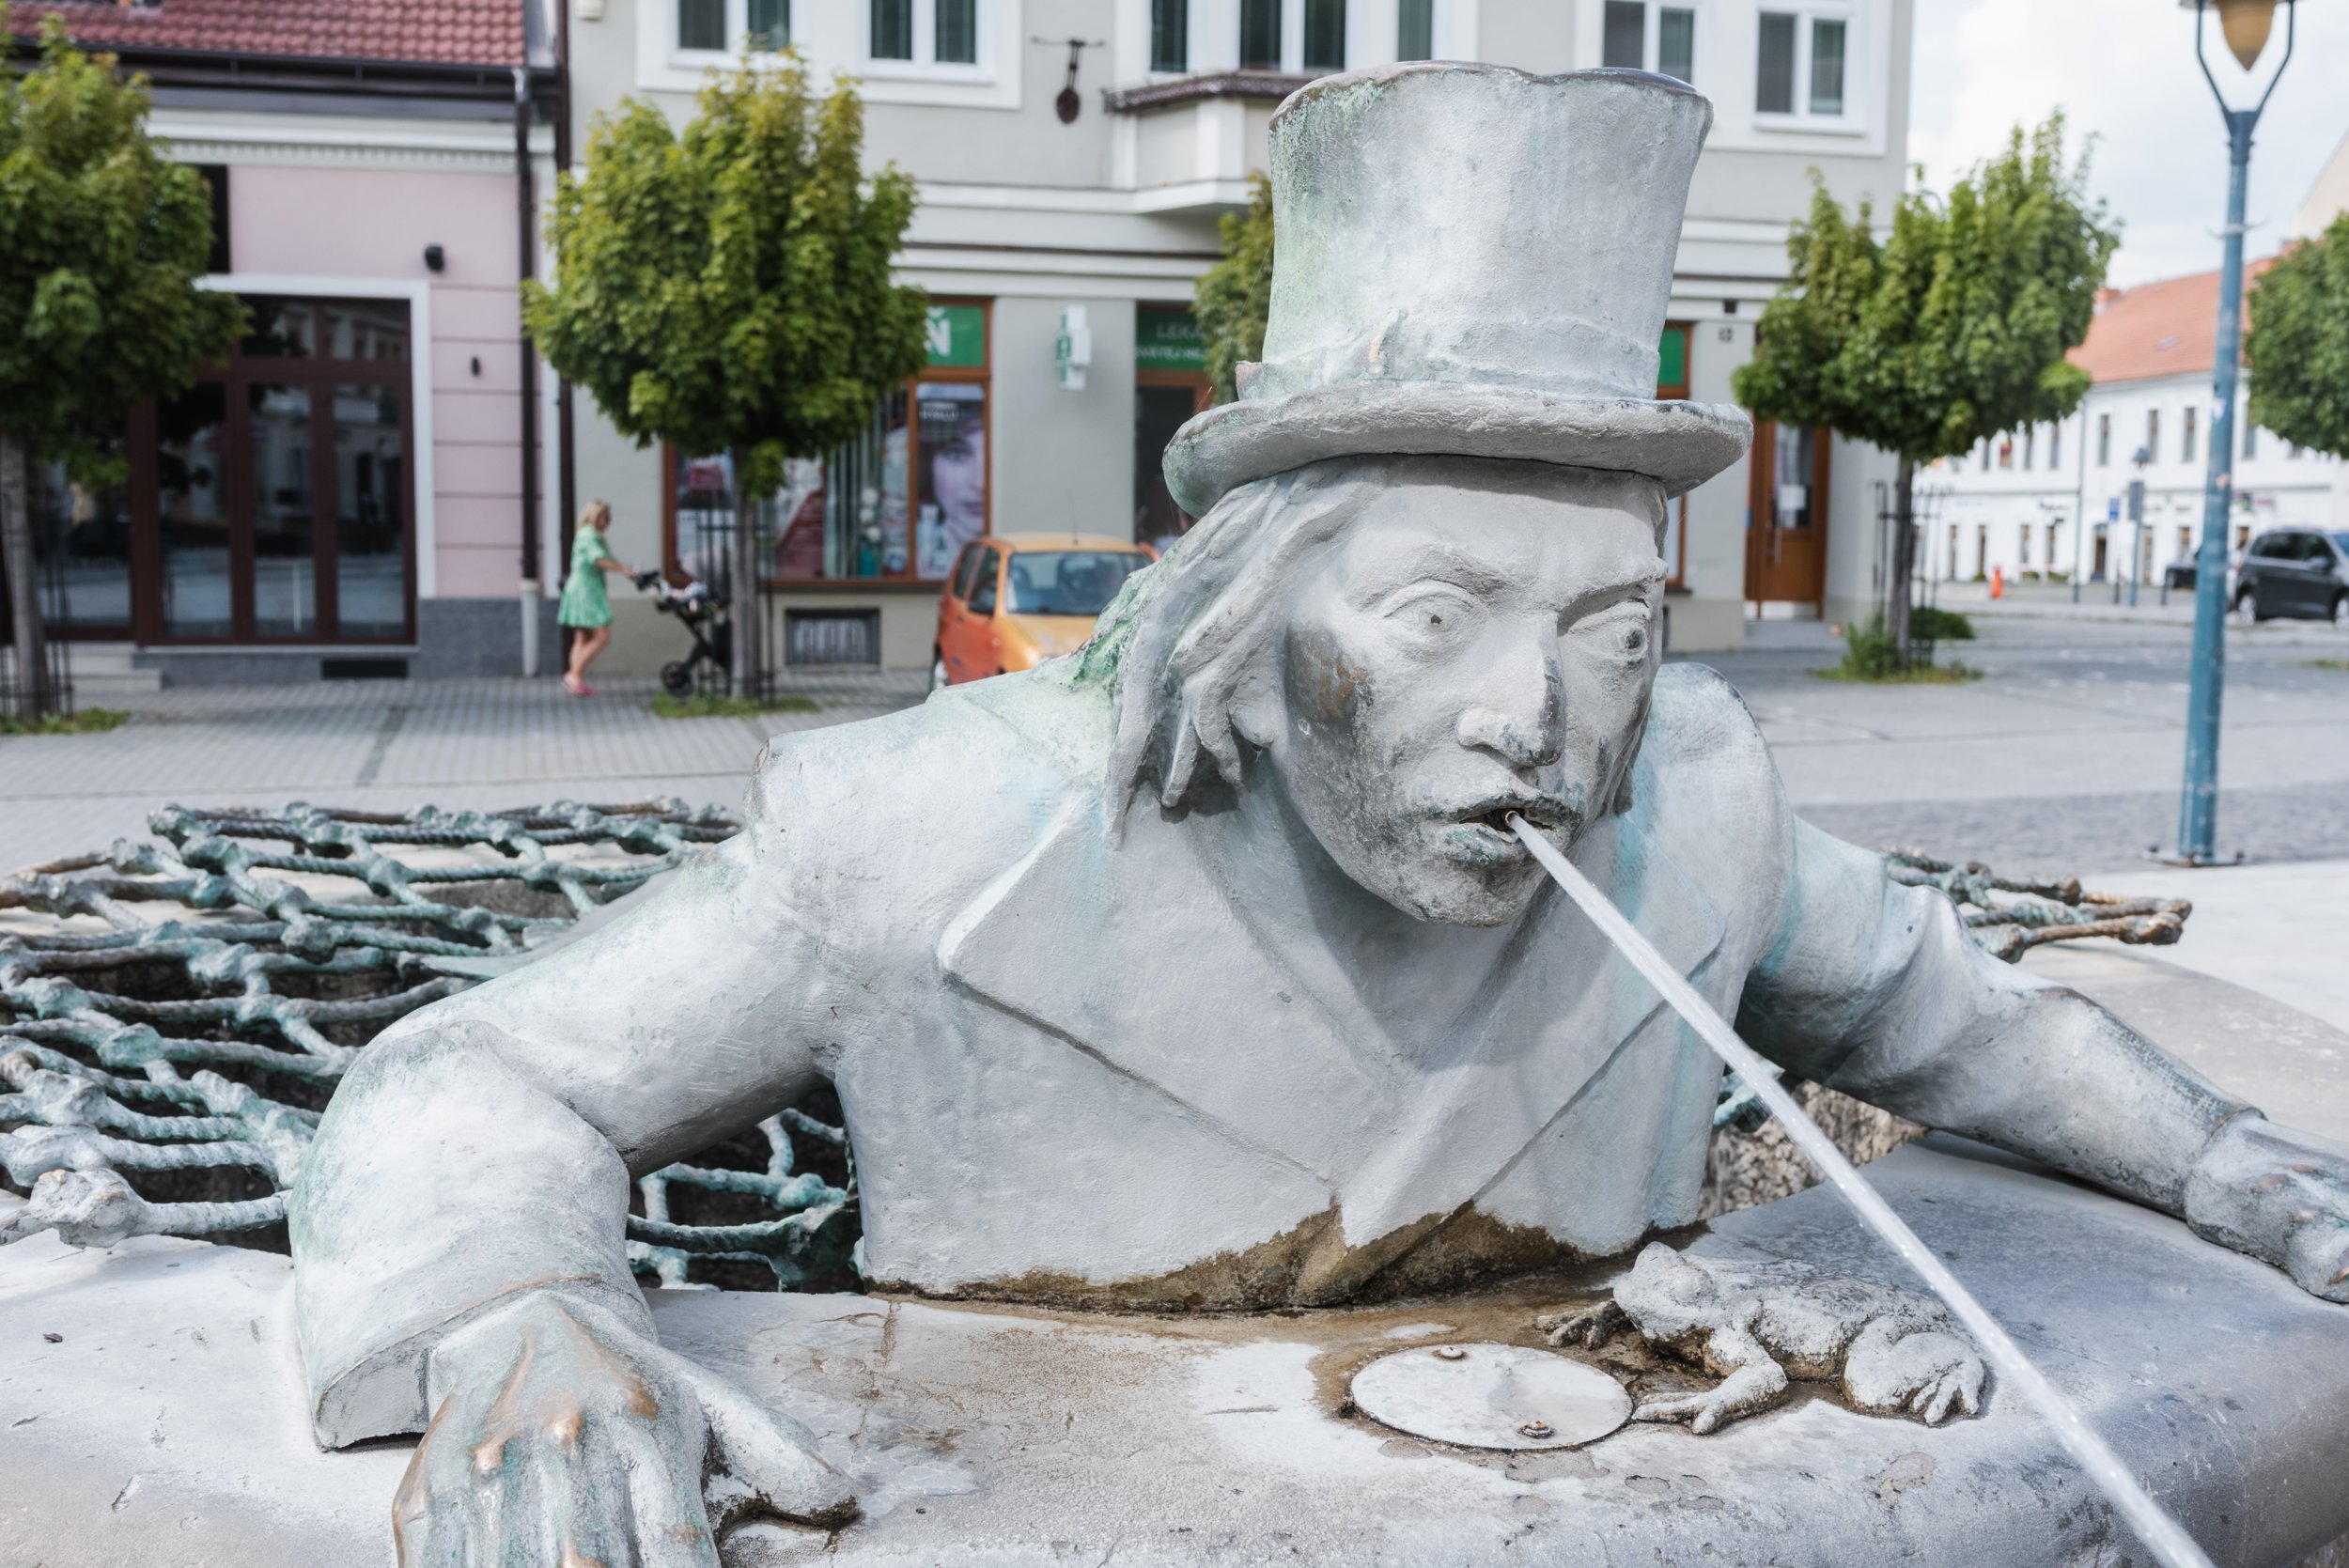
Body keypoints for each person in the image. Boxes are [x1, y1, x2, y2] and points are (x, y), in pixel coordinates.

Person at [288, 67, 2349, 1565]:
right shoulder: (909, 838)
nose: (1535, 722)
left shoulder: (1695, 807)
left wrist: (2240, 1171)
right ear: (1252, 628)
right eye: (1436, 613)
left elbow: (1966, 1025)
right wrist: (519, 1314)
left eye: (1609, 627)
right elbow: (475, 1073)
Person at [555, 501, 640, 696]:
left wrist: (625, 569)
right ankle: (573, 675)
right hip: (586, 591)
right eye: (604, 517)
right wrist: (625, 570)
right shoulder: (589, 535)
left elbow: (608, 558)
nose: (607, 522)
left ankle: (575, 680)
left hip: (582, 588)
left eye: (608, 518)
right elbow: (599, 559)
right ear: (594, 516)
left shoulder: (589, 534)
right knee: (602, 636)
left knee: (582, 636)